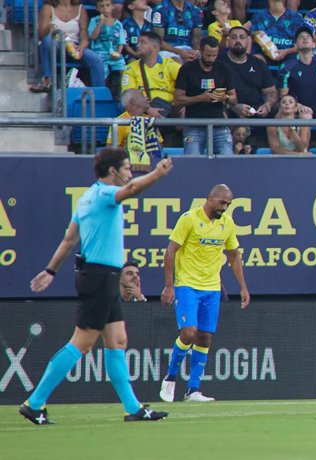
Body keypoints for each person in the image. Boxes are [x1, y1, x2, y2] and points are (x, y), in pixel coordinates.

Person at [22, 148, 172, 425]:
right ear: (113, 171)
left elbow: (69, 241)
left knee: (117, 340)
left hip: (101, 276)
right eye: (126, 168)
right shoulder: (104, 195)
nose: (129, 173)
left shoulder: (86, 197)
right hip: (99, 277)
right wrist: (157, 174)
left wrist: (50, 270)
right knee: (82, 343)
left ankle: (133, 408)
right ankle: (34, 403)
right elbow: (132, 190)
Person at [160, 184, 250, 403]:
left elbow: (234, 255)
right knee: (188, 333)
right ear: (210, 199)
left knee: (205, 337)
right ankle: (170, 378)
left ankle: (193, 390)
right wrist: (169, 285)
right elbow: (171, 250)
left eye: (228, 204)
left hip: (212, 287)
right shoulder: (189, 219)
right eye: (222, 203)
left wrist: (243, 287)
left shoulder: (227, 224)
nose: (225, 208)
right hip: (187, 284)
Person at [174, 36, 237, 155]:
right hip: (194, 125)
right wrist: (200, 98)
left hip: (219, 124)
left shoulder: (224, 69)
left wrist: (225, 98)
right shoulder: (187, 69)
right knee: (193, 160)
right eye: (208, 55)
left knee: (227, 158)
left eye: (214, 55)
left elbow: (234, 99)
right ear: (201, 51)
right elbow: (177, 99)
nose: (211, 59)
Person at [30, 0, 106, 93]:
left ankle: (101, 94)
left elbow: (84, 33)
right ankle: (47, 80)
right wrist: (49, 28)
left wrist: (82, 45)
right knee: (48, 40)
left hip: (74, 46)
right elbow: (41, 35)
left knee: (96, 59)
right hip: (55, 44)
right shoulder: (48, 8)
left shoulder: (80, 9)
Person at [219, 26, 278, 119]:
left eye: (242, 37)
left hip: (256, 110)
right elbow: (213, 94)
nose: (238, 41)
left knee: (282, 108)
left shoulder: (258, 63)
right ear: (228, 41)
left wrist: (267, 105)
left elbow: (271, 91)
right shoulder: (219, 63)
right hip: (229, 110)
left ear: (248, 41)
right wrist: (233, 107)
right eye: (233, 37)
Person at [277, 26, 316, 119]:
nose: (305, 38)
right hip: (296, 109)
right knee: (306, 116)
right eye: (301, 37)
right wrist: (299, 106)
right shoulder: (287, 66)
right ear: (296, 45)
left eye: (308, 36)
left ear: (313, 44)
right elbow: (283, 95)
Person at [121, 31, 181, 116]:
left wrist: (184, 106)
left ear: (154, 47)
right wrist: (148, 109)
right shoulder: (131, 68)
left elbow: (187, 85)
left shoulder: (170, 65)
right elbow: (129, 95)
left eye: (143, 42)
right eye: (138, 42)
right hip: (142, 115)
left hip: (169, 114)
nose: (138, 45)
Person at [88, 0, 127, 98]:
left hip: (114, 53)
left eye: (107, 5)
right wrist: (100, 24)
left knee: (123, 69)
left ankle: (120, 95)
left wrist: (118, 53)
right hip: (99, 53)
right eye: (101, 6)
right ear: (97, 9)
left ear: (112, 7)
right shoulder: (94, 21)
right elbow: (92, 36)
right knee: (102, 72)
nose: (105, 8)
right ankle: (104, 95)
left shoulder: (118, 24)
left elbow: (121, 42)